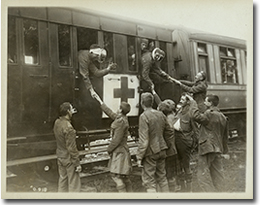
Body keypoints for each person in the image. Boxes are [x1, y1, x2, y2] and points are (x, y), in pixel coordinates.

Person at [188, 94, 229, 192]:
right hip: (217, 149)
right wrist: (225, 151)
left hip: (207, 148)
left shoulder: (209, 113)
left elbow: (195, 116)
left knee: (202, 175)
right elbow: (225, 137)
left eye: (205, 101)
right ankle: (222, 195)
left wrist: (193, 103)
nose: (204, 103)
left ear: (210, 103)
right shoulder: (223, 116)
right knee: (218, 174)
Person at [136, 92, 174, 192]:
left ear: (142, 103)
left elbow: (144, 140)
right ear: (152, 102)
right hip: (162, 149)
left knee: (149, 181)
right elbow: (170, 131)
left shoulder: (144, 116)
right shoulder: (160, 114)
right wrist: (166, 144)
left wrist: (139, 157)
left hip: (150, 152)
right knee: (162, 178)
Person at [94, 95, 132, 192]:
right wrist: (100, 101)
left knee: (116, 176)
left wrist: (109, 149)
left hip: (119, 151)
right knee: (123, 176)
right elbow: (110, 113)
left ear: (120, 109)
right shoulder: (122, 118)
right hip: (122, 151)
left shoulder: (120, 122)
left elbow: (116, 140)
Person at [172, 93, 199, 192]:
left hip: (185, 141)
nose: (181, 101)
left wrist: (194, 144)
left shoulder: (190, 113)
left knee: (186, 165)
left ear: (188, 101)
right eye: (181, 99)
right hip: (177, 140)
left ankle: (189, 189)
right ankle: (182, 187)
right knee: (178, 165)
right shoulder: (179, 110)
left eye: (183, 99)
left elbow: (196, 130)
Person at [53, 102, 82, 192]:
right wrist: (77, 163)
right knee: (74, 184)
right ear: (68, 111)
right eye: (71, 109)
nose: (73, 111)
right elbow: (72, 148)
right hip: (68, 158)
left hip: (60, 156)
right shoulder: (69, 128)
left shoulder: (57, 122)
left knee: (62, 180)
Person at [157, 99, 179, 191]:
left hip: (169, 151)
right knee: (170, 174)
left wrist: (165, 146)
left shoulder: (169, 118)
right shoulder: (171, 116)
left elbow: (170, 133)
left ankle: (172, 192)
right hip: (171, 150)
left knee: (169, 175)